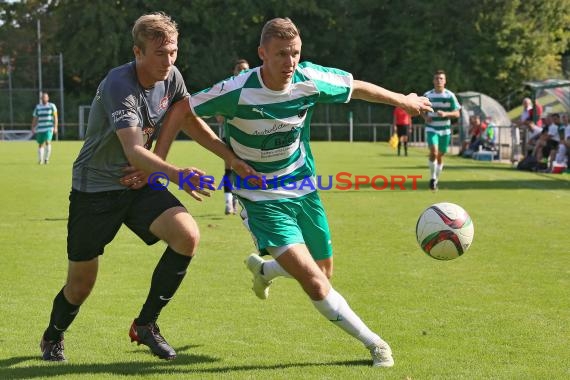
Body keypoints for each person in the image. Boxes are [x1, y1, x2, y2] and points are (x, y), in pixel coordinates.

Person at [181, 17, 432, 367]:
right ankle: (375, 344)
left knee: (323, 272)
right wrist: (225, 157)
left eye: (295, 53)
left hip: (303, 188)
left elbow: (356, 87)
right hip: (261, 198)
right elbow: (182, 112)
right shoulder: (237, 89)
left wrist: (402, 101)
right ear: (262, 54)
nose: (290, 62)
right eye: (281, 54)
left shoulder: (309, 79)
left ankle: (266, 271)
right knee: (315, 282)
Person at [39, 12, 254, 362]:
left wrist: (229, 157)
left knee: (188, 235)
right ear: (137, 52)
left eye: (173, 52)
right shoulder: (118, 84)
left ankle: (146, 325)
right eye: (159, 53)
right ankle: (53, 335)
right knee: (80, 285)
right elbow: (134, 150)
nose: (168, 61)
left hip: (138, 183)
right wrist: (176, 173)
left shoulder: (172, 77)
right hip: (95, 190)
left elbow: (188, 120)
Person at [216, 59, 250, 215]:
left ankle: (240, 200)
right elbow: (219, 118)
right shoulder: (227, 88)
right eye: (240, 69)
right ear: (234, 71)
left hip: (247, 137)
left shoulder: (252, 89)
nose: (242, 71)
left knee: (245, 169)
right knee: (229, 168)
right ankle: (229, 202)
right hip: (229, 136)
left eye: (245, 69)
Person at [422, 70, 461, 190]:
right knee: (433, 152)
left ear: (445, 81)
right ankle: (432, 178)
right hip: (432, 128)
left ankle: (436, 180)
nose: (439, 81)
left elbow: (457, 113)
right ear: (433, 81)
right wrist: (425, 117)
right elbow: (420, 109)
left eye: (441, 78)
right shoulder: (428, 95)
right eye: (437, 78)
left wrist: (445, 114)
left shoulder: (449, 96)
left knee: (440, 155)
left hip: (445, 130)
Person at [31, 92, 58, 164]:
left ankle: (46, 159)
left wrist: (55, 127)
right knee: (40, 144)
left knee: (47, 141)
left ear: (48, 98)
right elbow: (35, 118)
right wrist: (33, 127)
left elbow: (55, 117)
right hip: (40, 128)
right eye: (43, 97)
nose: (44, 98)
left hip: (49, 127)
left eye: (45, 97)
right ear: (41, 98)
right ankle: (40, 160)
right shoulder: (38, 107)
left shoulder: (52, 106)